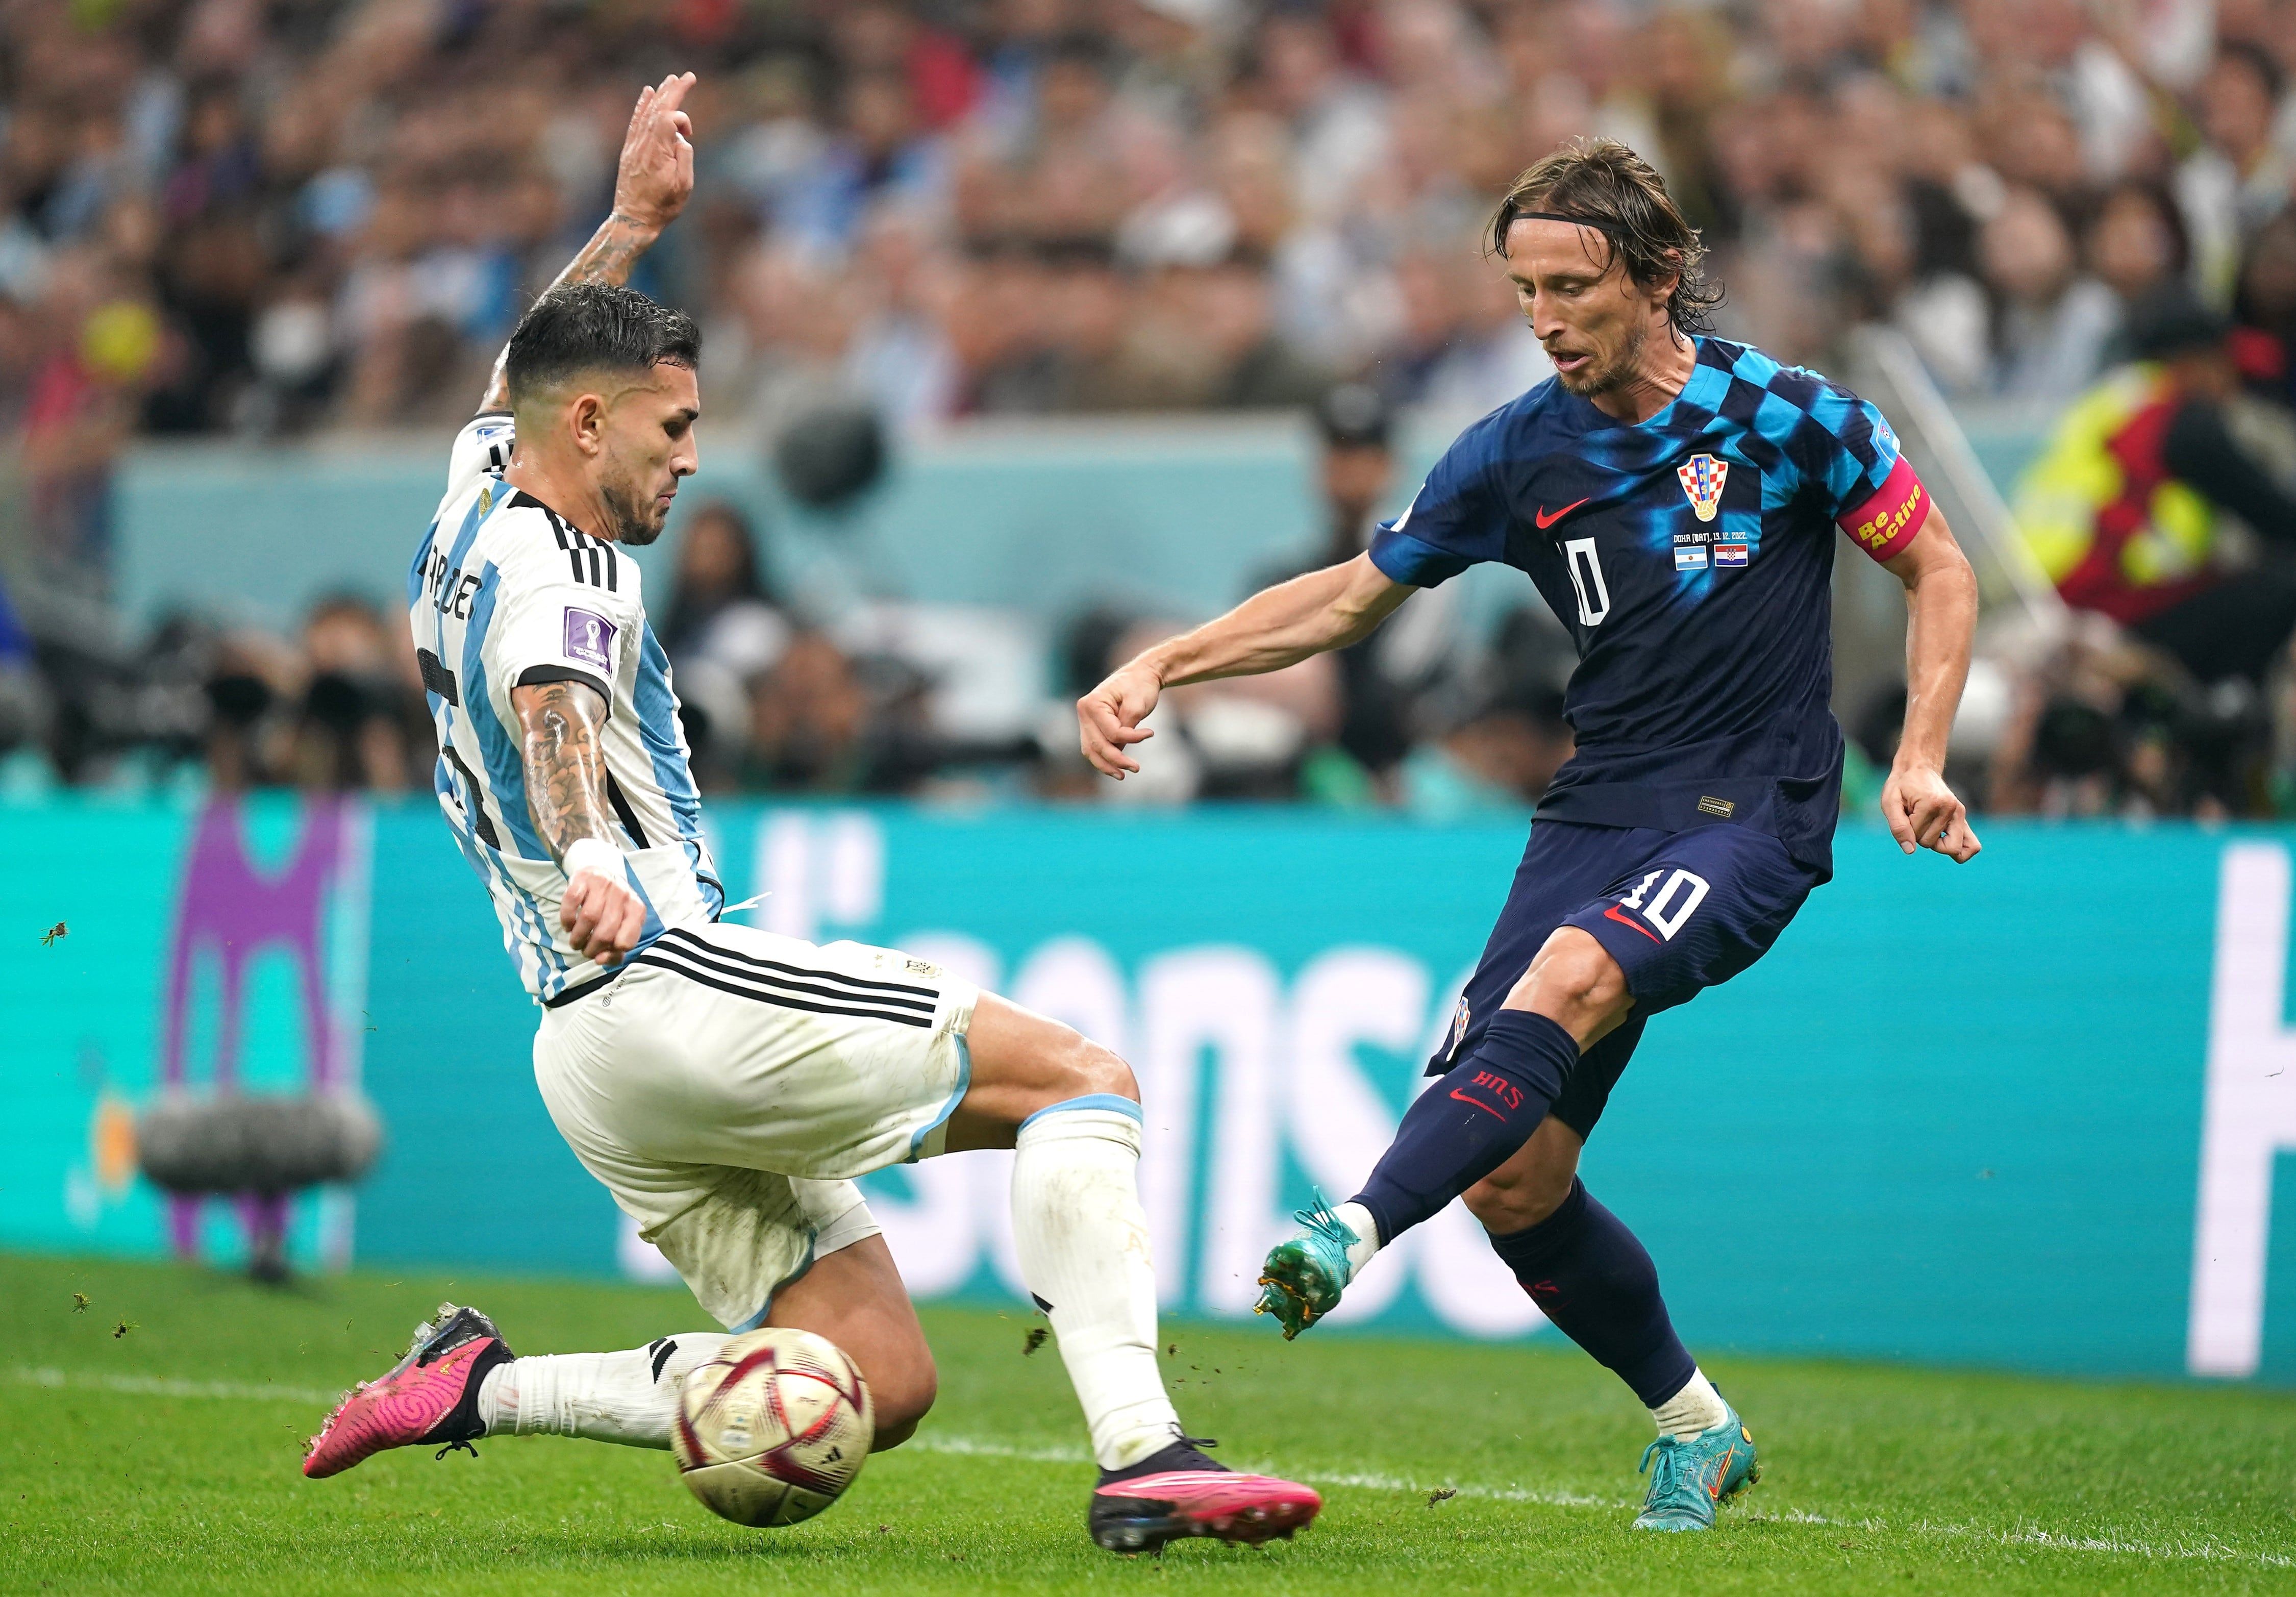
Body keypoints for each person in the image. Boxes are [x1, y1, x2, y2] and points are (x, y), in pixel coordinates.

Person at [302, 73, 1318, 1558]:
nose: (695, 456)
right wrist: (593, 850)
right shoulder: (571, 567)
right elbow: (556, 707)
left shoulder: (477, 488)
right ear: (590, 426)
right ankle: (1146, 1452)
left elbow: (535, 354)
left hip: (585, 1054)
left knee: (878, 1381)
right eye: (677, 425)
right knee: (1082, 1078)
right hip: (663, 985)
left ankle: (476, 1383)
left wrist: (634, 223)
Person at [1078, 137, 1983, 1533]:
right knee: (1513, 1177)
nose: (1547, 318)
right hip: (1597, 809)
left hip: (1756, 806)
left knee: (1566, 978)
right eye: (1522, 291)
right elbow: (1346, 598)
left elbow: (1935, 564)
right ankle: (1696, 1426)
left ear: (1659, 273)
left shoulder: (1789, 417)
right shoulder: (1516, 451)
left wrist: (1917, 755)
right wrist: (1166, 662)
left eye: (1573, 285)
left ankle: (1349, 1228)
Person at [2016, 286, 2296, 685]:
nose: (2234, 391)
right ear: (2192, 364)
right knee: (2288, 581)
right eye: (2229, 369)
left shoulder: (2113, 399)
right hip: (2104, 612)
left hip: (2045, 598)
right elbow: (2276, 516)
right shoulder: (2182, 422)